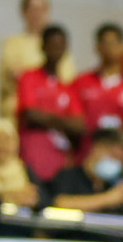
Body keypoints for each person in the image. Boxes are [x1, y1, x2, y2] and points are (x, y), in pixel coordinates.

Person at [73, 24, 123, 175]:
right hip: (88, 161)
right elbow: (75, 124)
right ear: (97, 47)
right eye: (104, 43)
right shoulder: (81, 82)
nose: (109, 48)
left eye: (114, 43)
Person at [15, 26, 85, 184]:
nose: (56, 50)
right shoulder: (29, 77)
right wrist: (64, 122)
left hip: (61, 163)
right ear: (43, 46)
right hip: (32, 157)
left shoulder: (67, 87)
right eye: (52, 45)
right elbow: (31, 115)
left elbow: (79, 126)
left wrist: (46, 118)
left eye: (61, 45)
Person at [47, 129, 123, 229]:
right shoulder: (69, 176)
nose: (116, 164)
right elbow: (60, 204)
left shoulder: (115, 186)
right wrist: (109, 198)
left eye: (122, 162)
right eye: (114, 156)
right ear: (97, 148)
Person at [0, 0, 76, 118]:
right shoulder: (12, 43)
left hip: (53, 111)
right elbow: (13, 75)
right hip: (17, 111)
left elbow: (66, 77)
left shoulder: (58, 44)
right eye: (32, 9)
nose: (37, 14)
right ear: (23, 12)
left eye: (41, 9)